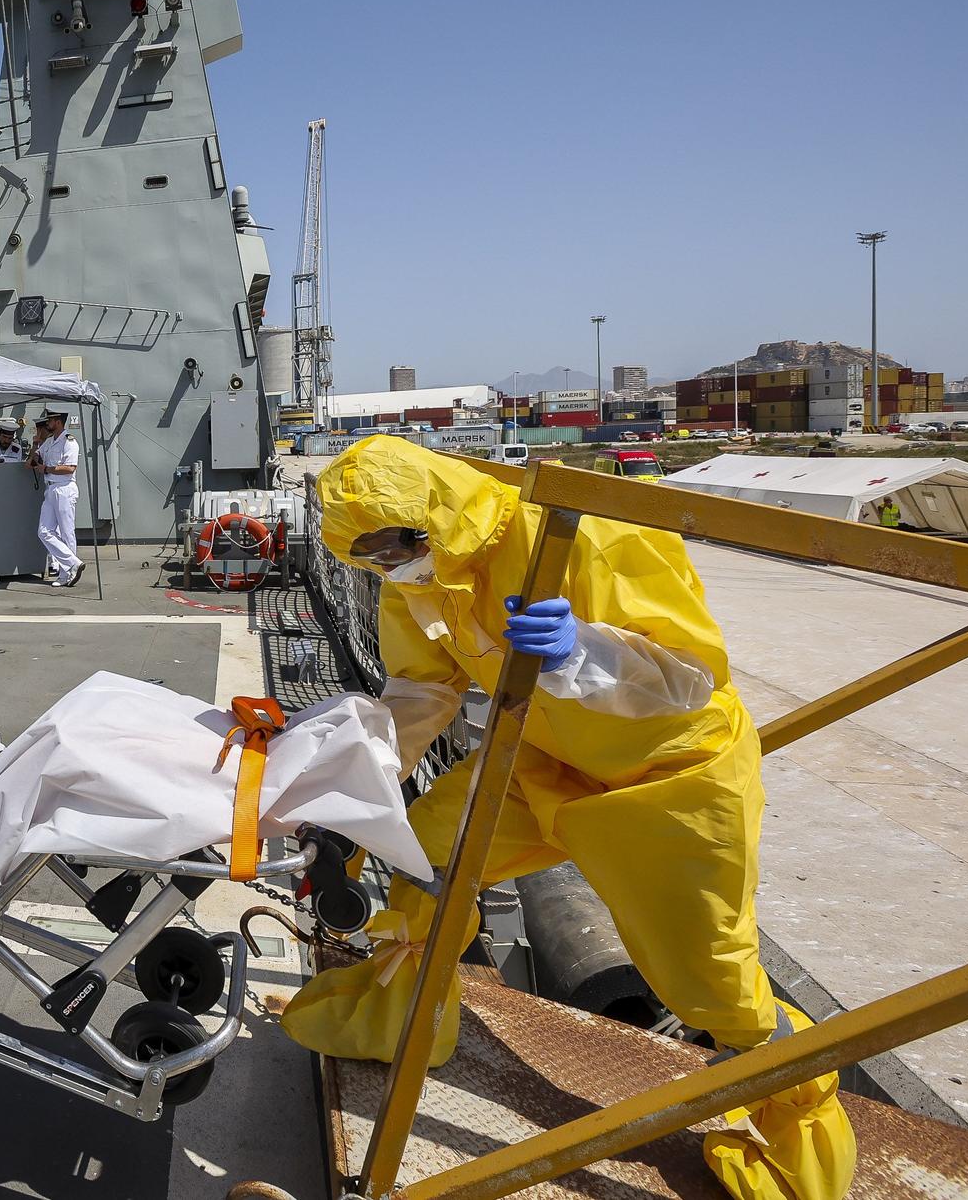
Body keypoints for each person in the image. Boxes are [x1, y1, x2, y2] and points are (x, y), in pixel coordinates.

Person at [282, 436, 855, 1200]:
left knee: (711, 981)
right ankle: (400, 1017)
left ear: (433, 516)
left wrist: (583, 650)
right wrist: (351, 787)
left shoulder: (580, 531)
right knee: (425, 854)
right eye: (372, 559)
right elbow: (420, 694)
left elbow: (689, 677)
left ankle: (797, 1137)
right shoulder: (413, 579)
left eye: (395, 548)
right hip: (543, 763)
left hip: (669, 780)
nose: (389, 567)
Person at [32, 409, 86, 587]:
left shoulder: (69, 441)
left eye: (50, 420)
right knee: (44, 531)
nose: (47, 423)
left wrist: (46, 469)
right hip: (50, 489)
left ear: (58, 421)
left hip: (64, 488)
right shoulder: (49, 441)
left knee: (66, 532)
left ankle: (65, 574)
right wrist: (36, 443)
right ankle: (73, 563)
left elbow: (70, 468)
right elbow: (34, 459)